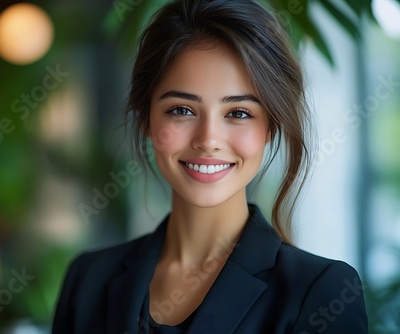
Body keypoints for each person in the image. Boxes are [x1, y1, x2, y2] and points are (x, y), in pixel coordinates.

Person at [52, 0, 368, 333]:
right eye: (182, 110)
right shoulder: (87, 280)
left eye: (239, 113)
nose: (208, 140)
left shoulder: (321, 292)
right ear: (147, 119)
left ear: (270, 127)